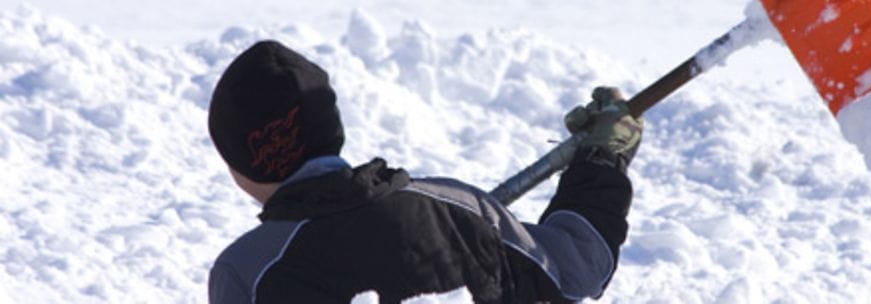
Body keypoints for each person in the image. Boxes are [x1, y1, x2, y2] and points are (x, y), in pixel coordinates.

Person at [207, 40, 643, 303]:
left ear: (240, 163)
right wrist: (603, 158)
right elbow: (580, 266)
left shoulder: (248, 269)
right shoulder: (459, 209)